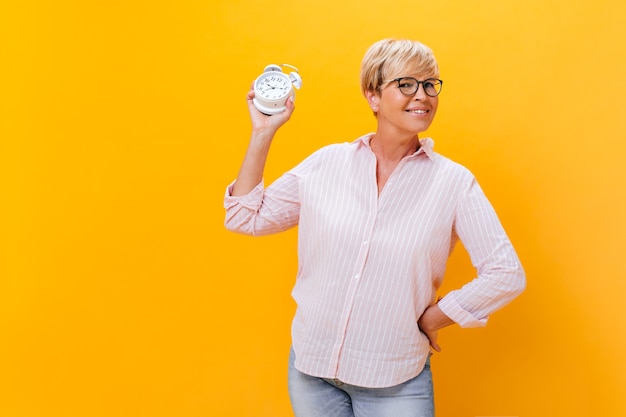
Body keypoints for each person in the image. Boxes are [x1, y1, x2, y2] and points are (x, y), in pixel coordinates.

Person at [224, 38, 525, 417]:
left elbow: (506, 274)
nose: (423, 95)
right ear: (373, 95)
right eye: (406, 84)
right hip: (311, 372)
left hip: (396, 381)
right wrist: (263, 132)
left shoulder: (453, 182)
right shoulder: (326, 164)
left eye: (430, 84)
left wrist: (434, 317)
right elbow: (244, 218)